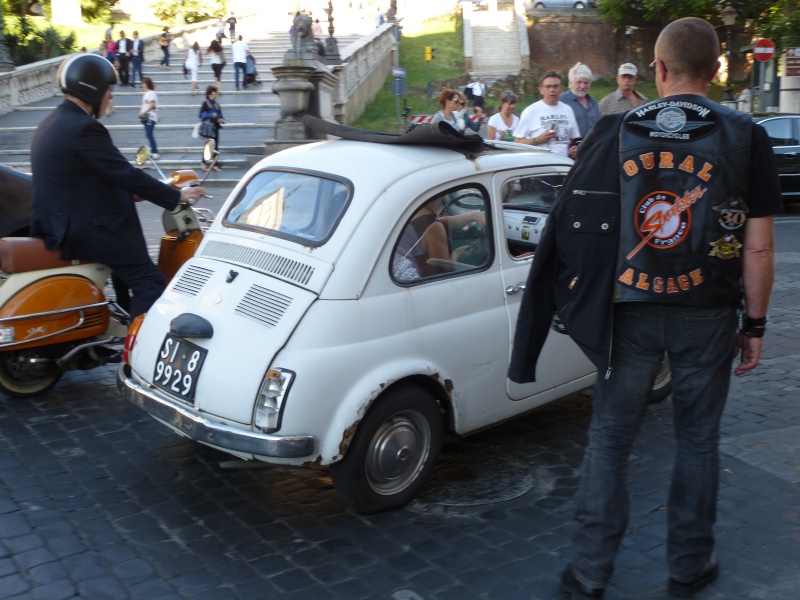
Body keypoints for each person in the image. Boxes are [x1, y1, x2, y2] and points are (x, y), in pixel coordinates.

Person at [508, 17, 781, 600]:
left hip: (625, 306)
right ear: (716, 70)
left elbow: (571, 219)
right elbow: (758, 245)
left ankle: (589, 571)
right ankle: (689, 565)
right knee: (698, 439)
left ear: (656, 70)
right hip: (707, 308)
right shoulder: (746, 133)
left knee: (609, 437)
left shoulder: (613, 128)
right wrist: (754, 324)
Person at [30, 54, 206, 318]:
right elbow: (125, 173)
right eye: (107, 89)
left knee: (126, 270)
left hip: (59, 224)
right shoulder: (83, 127)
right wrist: (177, 195)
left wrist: (132, 191)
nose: (110, 96)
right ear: (92, 89)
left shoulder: (53, 122)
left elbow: (93, 176)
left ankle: (123, 314)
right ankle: (135, 350)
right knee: (151, 284)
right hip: (81, 230)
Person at [513, 70, 579, 156]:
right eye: (548, 87)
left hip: (563, 164)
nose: (552, 90)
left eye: (556, 86)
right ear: (541, 90)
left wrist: (575, 149)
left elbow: (575, 139)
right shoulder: (531, 111)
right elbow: (517, 142)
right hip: (542, 165)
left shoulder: (568, 110)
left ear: (561, 89)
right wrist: (537, 140)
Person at [559, 62, 600, 138]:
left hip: (594, 145)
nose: (583, 86)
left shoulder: (593, 101)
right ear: (570, 83)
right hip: (572, 146)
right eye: (579, 82)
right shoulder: (562, 100)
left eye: (586, 83)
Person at [199, 86, 224, 172]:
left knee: (216, 146)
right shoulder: (206, 103)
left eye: (216, 93)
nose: (216, 94)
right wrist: (210, 115)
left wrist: (221, 119)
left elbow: (220, 115)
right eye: (214, 93)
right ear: (210, 94)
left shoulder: (216, 104)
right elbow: (201, 116)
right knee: (209, 145)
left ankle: (214, 164)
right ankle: (203, 163)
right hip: (209, 128)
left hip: (216, 127)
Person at [139, 77, 159, 158]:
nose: (142, 84)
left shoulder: (151, 93)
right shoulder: (146, 93)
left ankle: (155, 151)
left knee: (149, 134)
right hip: (147, 117)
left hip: (151, 116)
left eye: (143, 83)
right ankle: (152, 150)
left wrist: (144, 112)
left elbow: (152, 104)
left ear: (146, 84)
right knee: (148, 135)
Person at [99, 40, 118, 115]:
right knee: (106, 92)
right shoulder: (100, 55)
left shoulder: (110, 54)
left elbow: (116, 63)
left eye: (102, 45)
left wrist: (110, 65)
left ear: (105, 46)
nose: (100, 46)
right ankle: (111, 107)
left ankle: (108, 108)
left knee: (109, 92)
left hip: (110, 75)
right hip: (103, 76)